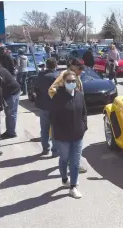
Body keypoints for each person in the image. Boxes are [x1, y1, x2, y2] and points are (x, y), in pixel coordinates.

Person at [50, 70, 87, 198]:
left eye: (74, 81)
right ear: (63, 82)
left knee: (75, 162)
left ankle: (73, 187)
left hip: (77, 135)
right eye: (69, 81)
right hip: (63, 137)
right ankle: (65, 178)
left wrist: (83, 127)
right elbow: (53, 118)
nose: (72, 83)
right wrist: (56, 133)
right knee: (64, 159)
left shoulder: (79, 95)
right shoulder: (57, 97)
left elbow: (84, 113)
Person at [48, 58, 88, 174]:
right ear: (73, 66)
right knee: (71, 144)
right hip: (68, 114)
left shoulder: (75, 75)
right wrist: (63, 101)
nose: (81, 71)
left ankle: (72, 163)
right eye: (80, 68)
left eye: (82, 69)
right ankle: (74, 165)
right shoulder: (65, 75)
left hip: (76, 113)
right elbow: (51, 90)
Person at [34, 58, 60, 156]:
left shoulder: (41, 75)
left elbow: (36, 88)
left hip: (43, 105)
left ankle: (45, 148)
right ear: (56, 64)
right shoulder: (56, 76)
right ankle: (55, 150)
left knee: (44, 129)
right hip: (54, 107)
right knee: (54, 129)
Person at [0, 62, 21, 139]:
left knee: (11, 113)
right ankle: (9, 131)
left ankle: (11, 133)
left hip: (12, 93)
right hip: (13, 91)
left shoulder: (0, 72)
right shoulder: (1, 70)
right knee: (9, 113)